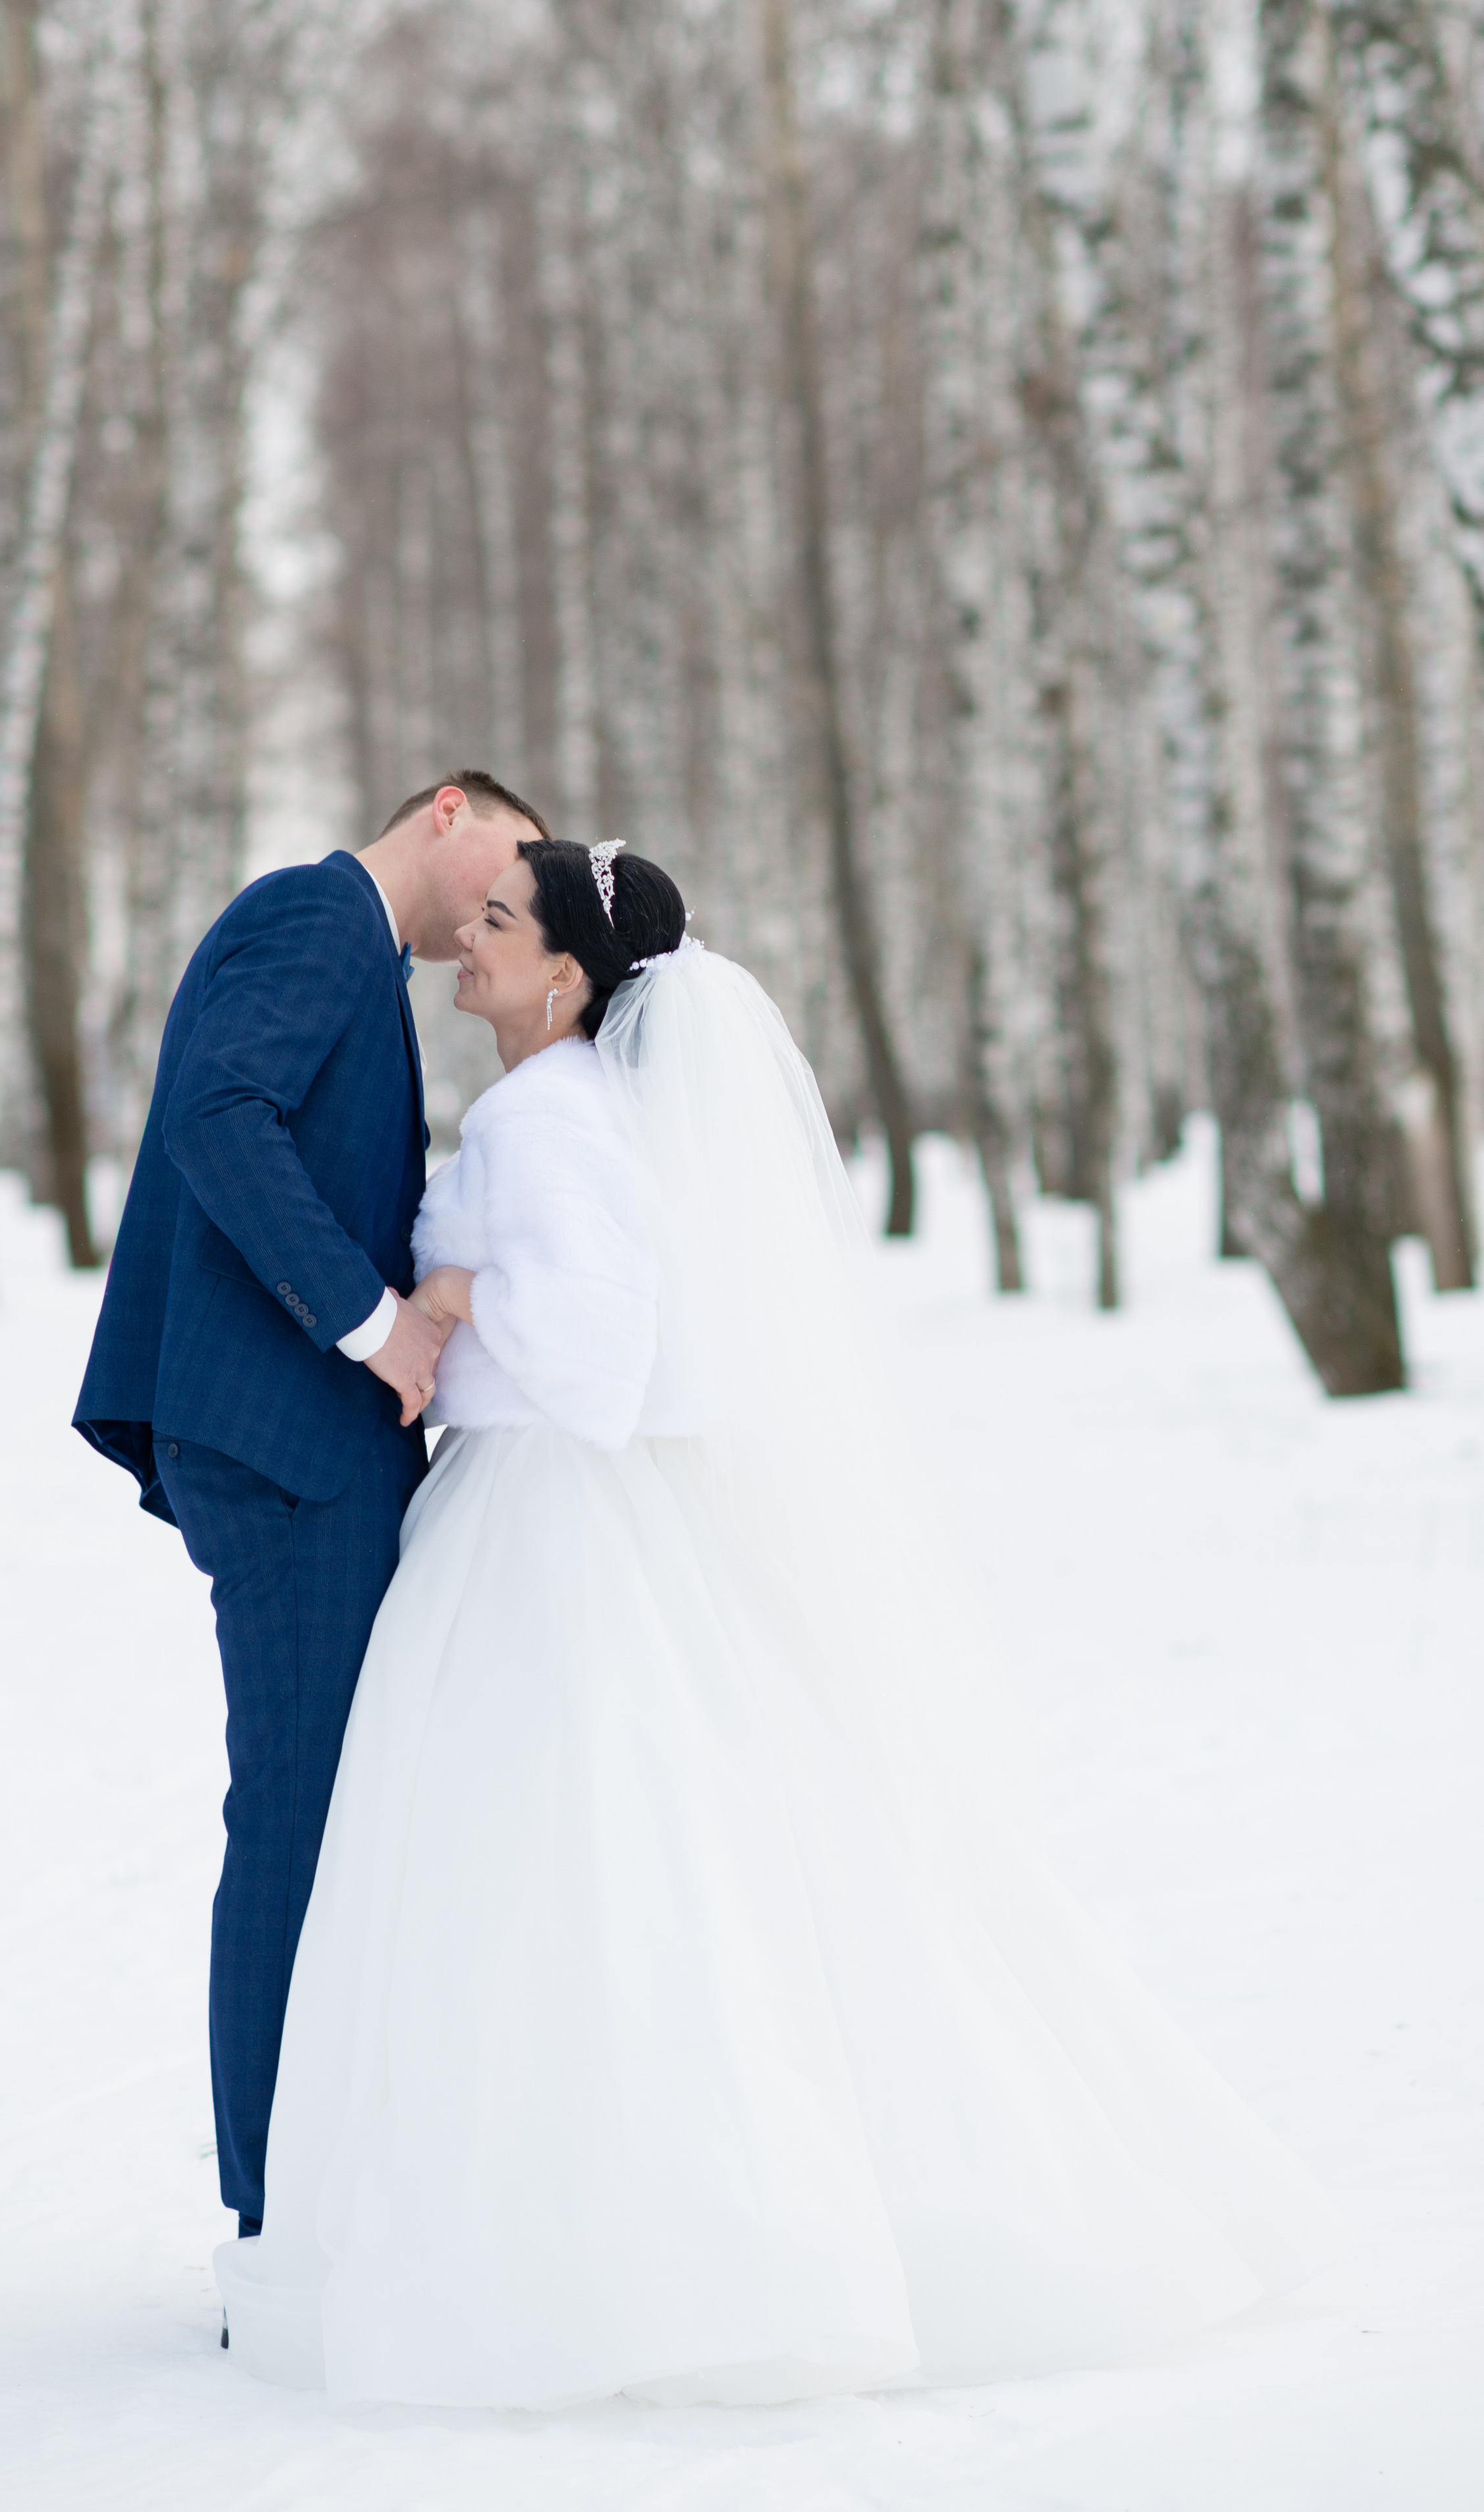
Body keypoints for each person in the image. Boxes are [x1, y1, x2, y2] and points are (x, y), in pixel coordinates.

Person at [213, 836, 1346, 2407]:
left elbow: (600, 1368)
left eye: (491, 923)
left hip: (552, 1520)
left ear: (563, 975)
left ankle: (613, 2236)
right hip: (537, 1509)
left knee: (567, 1866)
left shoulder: (546, 1122)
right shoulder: (562, 1107)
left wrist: (455, 1307)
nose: (456, 945)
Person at [73, 773, 547, 2239]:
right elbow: (222, 1115)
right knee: (298, 1818)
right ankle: (280, 2221)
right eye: (511, 867)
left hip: (297, 1445)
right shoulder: (314, 915)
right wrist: (373, 1323)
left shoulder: (346, 950)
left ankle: (313, 2191)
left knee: (328, 1814)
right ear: (450, 811)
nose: (500, 909)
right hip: (288, 1446)